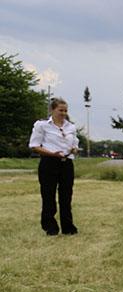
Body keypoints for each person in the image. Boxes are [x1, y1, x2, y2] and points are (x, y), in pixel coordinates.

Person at [29, 97, 79, 235]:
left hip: (66, 163)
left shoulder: (71, 127)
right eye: (60, 110)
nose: (63, 113)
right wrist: (52, 153)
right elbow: (34, 146)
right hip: (49, 163)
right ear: (52, 110)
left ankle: (68, 227)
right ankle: (50, 227)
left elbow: (74, 143)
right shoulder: (42, 125)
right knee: (48, 196)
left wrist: (74, 149)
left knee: (66, 196)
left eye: (65, 110)